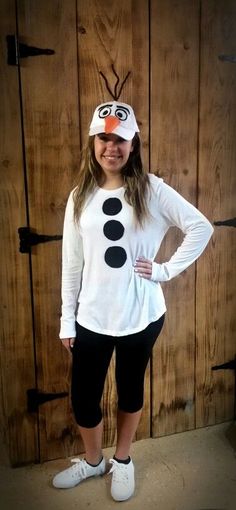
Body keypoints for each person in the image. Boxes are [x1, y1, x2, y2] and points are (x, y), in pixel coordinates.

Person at [52, 101, 214, 501]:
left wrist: (163, 271)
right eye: (104, 137)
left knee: (130, 389)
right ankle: (93, 462)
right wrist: (66, 320)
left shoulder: (152, 189)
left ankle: (122, 460)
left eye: (120, 139)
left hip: (141, 316)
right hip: (91, 317)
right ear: (93, 141)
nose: (112, 147)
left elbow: (200, 226)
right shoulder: (79, 196)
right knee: (84, 397)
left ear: (133, 142)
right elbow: (71, 263)